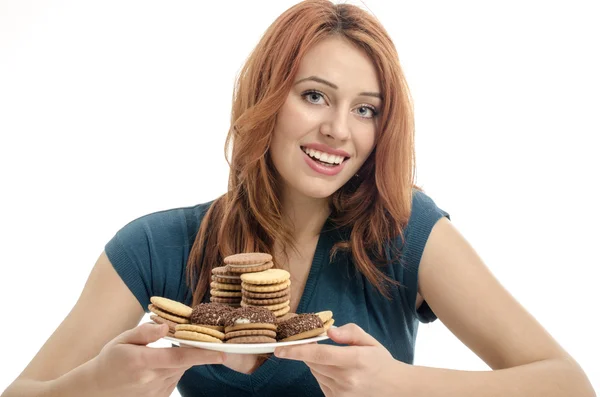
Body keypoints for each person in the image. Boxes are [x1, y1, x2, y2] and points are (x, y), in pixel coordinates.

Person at [2, 1, 595, 396]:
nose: (340, 129)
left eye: (366, 110)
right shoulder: (156, 246)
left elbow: (567, 384)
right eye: (315, 96)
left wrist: (397, 385)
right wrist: (101, 382)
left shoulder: (402, 231)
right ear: (267, 95)